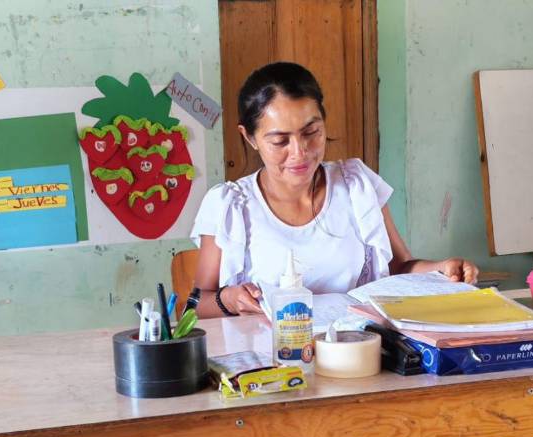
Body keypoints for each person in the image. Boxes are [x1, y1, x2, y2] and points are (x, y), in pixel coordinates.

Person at [190, 62, 479, 318]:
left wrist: (441, 269)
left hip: (356, 350)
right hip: (271, 362)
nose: (300, 152)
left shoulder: (356, 186)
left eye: (311, 132)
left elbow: (399, 268)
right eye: (280, 141)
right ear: (250, 137)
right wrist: (228, 299)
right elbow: (194, 305)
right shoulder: (230, 205)